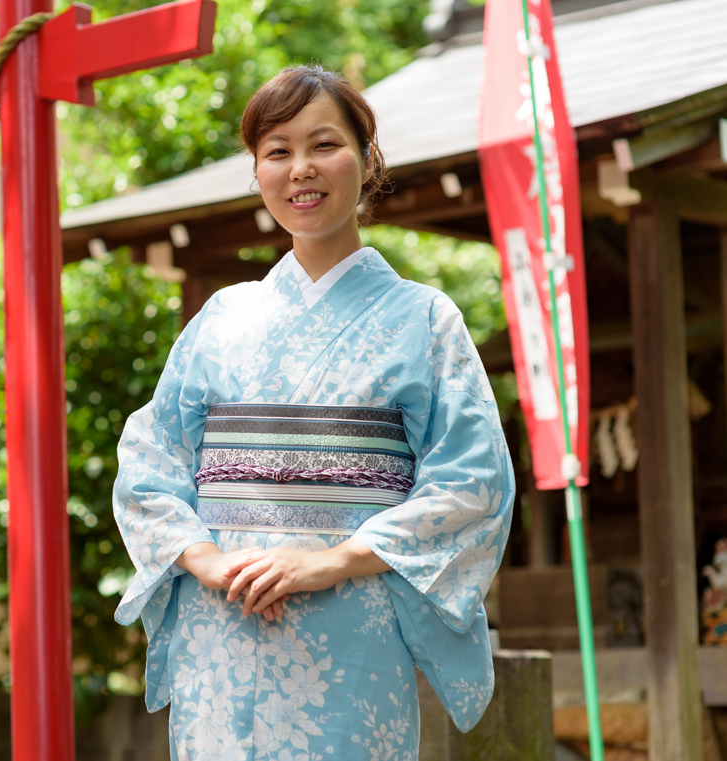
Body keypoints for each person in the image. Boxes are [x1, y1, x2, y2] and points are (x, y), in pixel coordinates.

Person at [112, 64, 515, 761]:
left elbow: (472, 483)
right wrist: (209, 561)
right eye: (277, 151)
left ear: (367, 158)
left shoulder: (423, 318)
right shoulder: (221, 318)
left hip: (349, 636)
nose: (301, 168)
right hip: (223, 634)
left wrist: (329, 562)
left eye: (324, 144)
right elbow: (149, 463)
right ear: (258, 170)